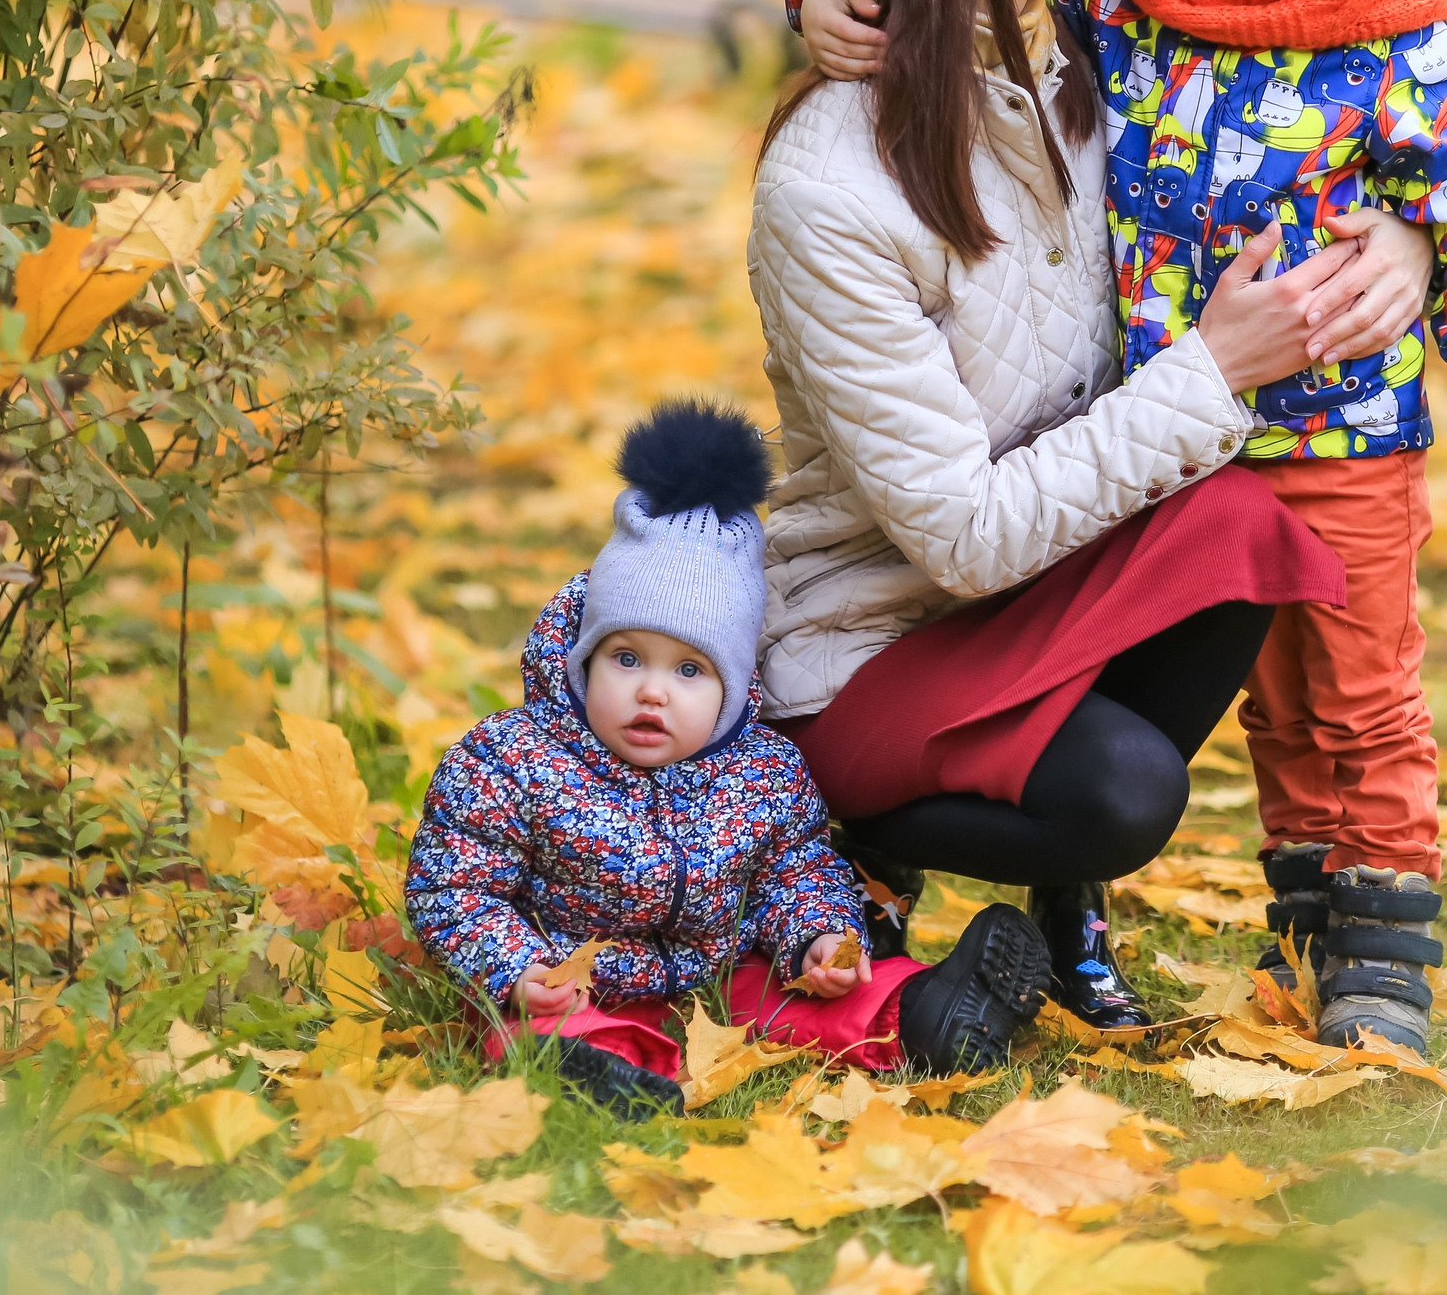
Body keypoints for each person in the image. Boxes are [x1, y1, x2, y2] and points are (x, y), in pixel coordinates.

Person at [785, 0, 1447, 1054]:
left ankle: (1371, 940)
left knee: (1357, 684)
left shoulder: (1366, 22)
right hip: (1089, 484)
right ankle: (1252, 901)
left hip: (1326, 434)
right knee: (1262, 711)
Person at [407, 403, 1054, 1118]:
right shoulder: (512, 761)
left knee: (802, 996)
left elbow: (797, 870)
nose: (652, 688)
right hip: (568, 980)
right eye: (626, 658)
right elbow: (455, 887)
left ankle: (923, 1011)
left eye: (690, 671)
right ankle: (595, 1070)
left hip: (716, 977)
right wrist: (517, 967)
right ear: (583, 661)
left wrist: (819, 934)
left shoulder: (763, 773)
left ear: (733, 688)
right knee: (537, 1024)